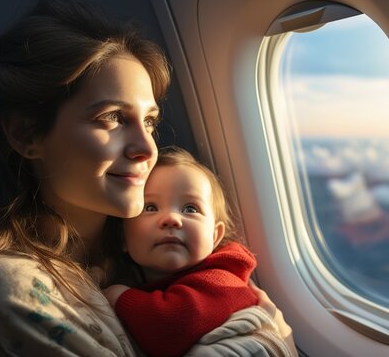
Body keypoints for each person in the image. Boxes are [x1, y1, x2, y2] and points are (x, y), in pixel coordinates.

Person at [0, 0, 294, 356]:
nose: (146, 148)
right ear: (26, 134)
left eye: (150, 121)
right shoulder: (10, 289)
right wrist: (272, 338)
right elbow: (269, 323)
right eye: (111, 118)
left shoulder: (146, 250)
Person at [102, 146, 297, 357]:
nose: (172, 219)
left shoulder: (222, 279)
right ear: (123, 238)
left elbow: (169, 328)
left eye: (190, 209)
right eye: (150, 207)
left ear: (215, 236)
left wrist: (119, 296)